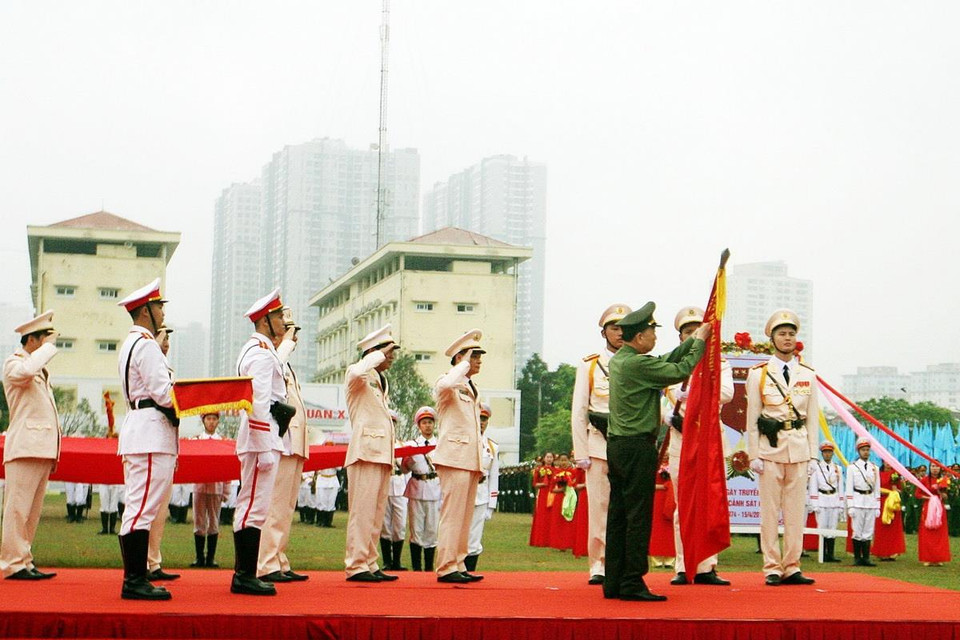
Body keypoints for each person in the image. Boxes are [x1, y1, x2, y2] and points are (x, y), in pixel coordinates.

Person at [605, 302, 709, 602]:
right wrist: (700, 343)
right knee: (638, 517)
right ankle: (632, 581)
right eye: (651, 331)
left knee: (619, 515)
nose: (654, 336)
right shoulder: (637, 364)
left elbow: (664, 358)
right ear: (639, 338)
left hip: (619, 446)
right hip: (637, 446)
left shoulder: (623, 360)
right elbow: (680, 369)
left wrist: (691, 339)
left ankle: (615, 579)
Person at [746, 309, 819, 587]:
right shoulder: (759, 374)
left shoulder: (808, 374)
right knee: (769, 512)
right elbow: (752, 417)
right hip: (770, 449)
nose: (787, 338)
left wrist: (813, 455)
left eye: (791, 334)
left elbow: (812, 418)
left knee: (794, 512)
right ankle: (772, 567)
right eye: (782, 334)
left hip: (798, 448)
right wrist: (754, 454)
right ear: (772, 339)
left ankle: (792, 565)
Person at [115, 280, 179, 600]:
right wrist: (193, 398)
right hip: (151, 432)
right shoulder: (147, 344)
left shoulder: (131, 343)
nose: (163, 311)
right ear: (145, 312)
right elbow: (164, 393)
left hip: (141, 429)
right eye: (158, 306)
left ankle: (135, 578)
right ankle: (135, 581)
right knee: (142, 508)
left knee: (138, 506)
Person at [664, 306, 734, 586]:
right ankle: (683, 565)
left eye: (698, 331)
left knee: (708, 502)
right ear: (681, 337)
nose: (694, 335)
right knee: (683, 505)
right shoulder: (672, 364)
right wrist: (667, 416)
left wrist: (693, 391)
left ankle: (707, 566)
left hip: (708, 440)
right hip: (681, 439)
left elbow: (727, 394)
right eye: (688, 332)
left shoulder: (720, 363)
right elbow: (657, 398)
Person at [231, 289, 291, 596]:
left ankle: (245, 573)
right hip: (261, 438)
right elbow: (257, 402)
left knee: (252, 506)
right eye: (278, 315)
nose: (283, 320)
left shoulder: (257, 350)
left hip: (260, 437)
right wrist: (265, 445)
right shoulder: (261, 354)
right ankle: (244, 575)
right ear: (265, 320)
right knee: (253, 507)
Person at [570, 304, 630, 585]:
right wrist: (581, 451)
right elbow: (579, 409)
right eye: (613, 327)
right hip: (598, 445)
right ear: (603, 332)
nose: (619, 333)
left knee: (629, 509)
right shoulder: (590, 365)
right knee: (600, 507)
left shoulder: (638, 360)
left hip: (629, 445)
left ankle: (626, 563)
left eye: (623, 327)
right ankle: (599, 565)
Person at [1, 310, 60, 581]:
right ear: (33, 341)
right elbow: (25, 370)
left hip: (41, 447)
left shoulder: (39, 371)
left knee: (31, 512)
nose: (51, 344)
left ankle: (24, 559)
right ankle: (13, 562)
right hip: (24, 446)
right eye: (45, 339)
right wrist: (48, 350)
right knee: (17, 509)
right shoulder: (14, 363)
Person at [258, 307, 310, 584]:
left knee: (286, 508)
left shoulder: (285, 364)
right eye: (289, 329)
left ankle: (279, 558)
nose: (294, 336)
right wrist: (286, 342)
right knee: (275, 506)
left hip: (293, 442)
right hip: (280, 442)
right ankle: (266, 563)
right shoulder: (272, 358)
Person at [343, 325, 400, 583]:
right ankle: (356, 564)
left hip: (381, 453)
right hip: (365, 452)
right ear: (373, 352)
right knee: (362, 512)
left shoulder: (379, 381)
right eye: (388, 352)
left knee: (376, 513)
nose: (391, 357)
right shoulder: (358, 376)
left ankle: (370, 561)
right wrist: (375, 355)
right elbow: (357, 370)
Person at [433, 329, 487, 584]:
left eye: (478, 356)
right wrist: (462, 363)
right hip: (454, 456)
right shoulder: (448, 382)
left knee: (465, 517)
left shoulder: (470, 387)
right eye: (474, 355)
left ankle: (458, 562)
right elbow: (445, 385)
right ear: (459, 358)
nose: (478, 360)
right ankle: (446, 565)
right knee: (453, 515)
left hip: (469, 458)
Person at [402, 406, 440, 571]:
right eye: (424, 422)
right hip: (417, 487)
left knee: (432, 530)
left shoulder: (440, 444)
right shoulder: (412, 444)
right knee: (416, 530)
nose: (427, 426)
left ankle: (429, 569)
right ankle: (417, 569)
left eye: (430, 422)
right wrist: (408, 462)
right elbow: (404, 470)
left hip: (434, 488)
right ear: (419, 425)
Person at [191, 413, 230, 568]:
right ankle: (199, 557)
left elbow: (227, 468)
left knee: (214, 522)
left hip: (216, 487)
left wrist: (226, 490)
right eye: (208, 419)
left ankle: (211, 558)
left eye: (214, 419)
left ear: (218, 421)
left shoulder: (223, 442)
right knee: (198, 521)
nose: (211, 422)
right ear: (203, 421)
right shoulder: (196, 441)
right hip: (199, 486)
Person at [466, 403, 499, 572]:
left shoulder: (492, 446)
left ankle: (470, 571)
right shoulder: (464, 441)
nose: (481, 422)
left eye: (484, 419)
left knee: (475, 536)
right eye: (479, 418)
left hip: (481, 494)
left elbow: (494, 477)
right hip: (463, 493)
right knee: (459, 535)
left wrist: (491, 505)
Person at [380, 410, 410, 572]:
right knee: (384, 525)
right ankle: (387, 561)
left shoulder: (402, 445)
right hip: (384, 485)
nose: (391, 425)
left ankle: (397, 562)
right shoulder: (379, 444)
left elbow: (407, 469)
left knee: (399, 525)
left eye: (393, 422)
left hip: (399, 486)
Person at [845, 438, 881, 567]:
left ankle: (866, 558)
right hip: (858, 500)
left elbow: (877, 488)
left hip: (870, 500)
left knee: (868, 530)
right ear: (858, 451)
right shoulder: (852, 468)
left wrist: (878, 505)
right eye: (863, 450)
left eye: (867, 450)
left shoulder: (874, 468)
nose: (866, 452)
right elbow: (849, 487)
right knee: (857, 530)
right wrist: (850, 505)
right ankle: (857, 558)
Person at [808, 442, 844, 562]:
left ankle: (831, 554)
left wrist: (841, 503)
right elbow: (813, 486)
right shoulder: (816, 468)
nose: (827, 454)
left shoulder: (837, 468)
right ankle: (823, 554)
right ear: (822, 453)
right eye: (825, 452)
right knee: (822, 527)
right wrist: (814, 504)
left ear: (833, 453)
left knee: (832, 527)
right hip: (822, 498)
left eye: (829, 452)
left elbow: (840, 487)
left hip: (833, 499)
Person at [916, 463, 951, 566]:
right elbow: (917, 494)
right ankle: (927, 557)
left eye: (937, 466)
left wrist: (943, 495)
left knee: (940, 532)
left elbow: (946, 496)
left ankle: (939, 557)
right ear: (929, 468)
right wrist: (930, 498)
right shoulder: (925, 480)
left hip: (939, 508)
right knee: (927, 532)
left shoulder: (944, 480)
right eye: (932, 466)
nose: (935, 469)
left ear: (940, 468)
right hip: (928, 507)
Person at [872, 462, 906, 561]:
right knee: (881, 526)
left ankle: (893, 551)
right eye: (886, 462)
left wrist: (895, 490)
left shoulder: (895, 474)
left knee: (893, 527)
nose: (888, 464)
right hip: (881, 502)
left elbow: (901, 490)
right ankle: (881, 551)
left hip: (892, 503)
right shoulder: (878, 473)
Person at [529, 452, 555, 547]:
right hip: (543, 494)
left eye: (551, 457)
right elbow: (535, 484)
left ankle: (551, 539)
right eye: (547, 457)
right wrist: (543, 484)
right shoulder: (539, 470)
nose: (549, 459)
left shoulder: (555, 470)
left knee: (551, 516)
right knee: (541, 515)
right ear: (544, 459)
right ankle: (540, 539)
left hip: (552, 493)